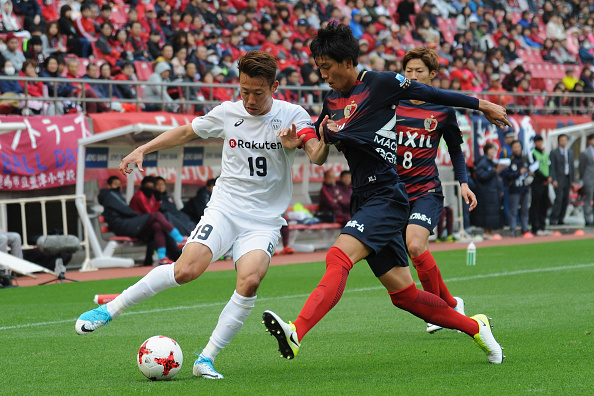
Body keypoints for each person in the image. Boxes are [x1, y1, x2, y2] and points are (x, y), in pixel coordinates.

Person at [262, 23, 508, 365]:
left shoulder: (380, 83)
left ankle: (296, 331)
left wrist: (484, 105)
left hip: (388, 195)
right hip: (362, 196)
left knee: (338, 256)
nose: (324, 75)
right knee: (404, 296)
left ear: (348, 62)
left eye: (328, 67)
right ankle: (476, 327)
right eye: (319, 68)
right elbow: (319, 155)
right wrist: (301, 143)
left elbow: (435, 95)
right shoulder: (331, 98)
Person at [75, 51, 329, 379]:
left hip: (264, 220)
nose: (250, 100)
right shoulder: (228, 113)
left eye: (258, 93)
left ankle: (205, 359)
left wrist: (302, 143)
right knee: (186, 271)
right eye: (244, 91)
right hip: (225, 208)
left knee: (250, 280)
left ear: (275, 87)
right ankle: (109, 309)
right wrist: (143, 149)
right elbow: (184, 133)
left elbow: (318, 155)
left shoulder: (293, 115)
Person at [395, 47, 472, 333]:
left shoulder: (442, 110)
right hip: (394, 192)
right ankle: (450, 303)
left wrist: (464, 182)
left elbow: (455, 149)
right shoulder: (391, 103)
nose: (412, 76)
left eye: (419, 71)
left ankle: (436, 310)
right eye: (408, 71)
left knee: (416, 244)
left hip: (426, 189)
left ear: (432, 75)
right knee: (412, 252)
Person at [96, 176, 181, 266]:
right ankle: (178, 238)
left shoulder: (117, 196)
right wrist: (140, 218)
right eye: (115, 184)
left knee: (157, 226)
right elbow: (127, 210)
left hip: (129, 224)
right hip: (122, 226)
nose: (118, 187)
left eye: (119, 184)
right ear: (109, 186)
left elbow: (127, 210)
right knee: (156, 215)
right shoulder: (110, 196)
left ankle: (162, 258)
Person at [501, 140, 533, 237]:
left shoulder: (525, 158)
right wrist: (518, 173)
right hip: (514, 189)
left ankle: (525, 228)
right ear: (512, 149)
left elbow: (529, 169)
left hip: (525, 188)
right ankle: (512, 229)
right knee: (513, 210)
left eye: (518, 146)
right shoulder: (509, 160)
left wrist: (529, 173)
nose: (517, 149)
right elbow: (505, 174)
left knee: (525, 210)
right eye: (514, 147)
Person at [473, 143, 505, 239]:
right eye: (492, 149)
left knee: (493, 212)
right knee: (487, 212)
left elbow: (496, 177)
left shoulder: (492, 162)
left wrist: (500, 188)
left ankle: (489, 231)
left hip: (493, 191)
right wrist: (494, 171)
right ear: (487, 150)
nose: (494, 152)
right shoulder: (483, 162)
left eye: (495, 150)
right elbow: (482, 176)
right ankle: (486, 231)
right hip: (486, 192)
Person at [549, 134, 575, 225]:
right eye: (561, 140)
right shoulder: (554, 152)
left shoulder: (570, 152)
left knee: (565, 199)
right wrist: (554, 179)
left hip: (567, 178)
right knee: (559, 198)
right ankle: (553, 218)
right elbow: (552, 167)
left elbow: (572, 167)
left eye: (565, 140)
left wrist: (573, 181)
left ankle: (561, 218)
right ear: (559, 142)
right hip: (559, 179)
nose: (563, 142)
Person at [529, 134, 552, 236]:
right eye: (537, 141)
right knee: (536, 205)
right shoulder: (532, 153)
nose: (539, 143)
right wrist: (545, 178)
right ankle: (536, 228)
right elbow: (534, 169)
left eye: (540, 141)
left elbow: (549, 166)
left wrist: (549, 178)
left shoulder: (545, 153)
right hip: (537, 182)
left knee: (544, 204)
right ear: (534, 142)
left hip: (546, 183)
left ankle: (542, 226)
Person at [578, 133, 594, 226]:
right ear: (589, 141)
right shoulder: (585, 153)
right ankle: (587, 219)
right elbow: (581, 167)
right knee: (588, 199)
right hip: (589, 179)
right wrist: (582, 180)